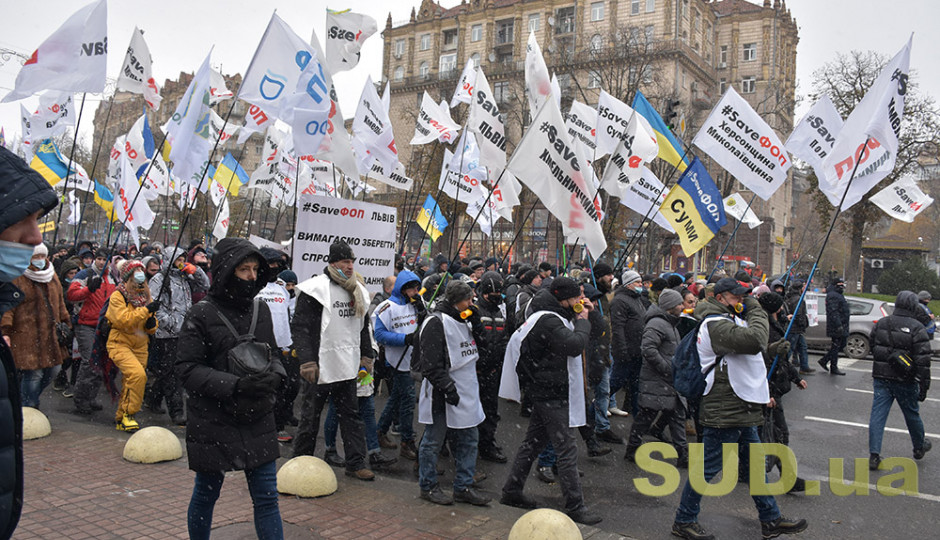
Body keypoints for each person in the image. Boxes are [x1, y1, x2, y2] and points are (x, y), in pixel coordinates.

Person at [672, 277, 806, 540]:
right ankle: (684, 520)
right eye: (736, 297)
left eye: (744, 297)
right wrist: (757, 311)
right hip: (725, 408)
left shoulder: (728, 320)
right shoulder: (714, 323)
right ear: (719, 297)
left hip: (740, 406)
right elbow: (752, 340)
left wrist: (770, 350)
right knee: (708, 469)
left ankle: (771, 519)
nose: (742, 301)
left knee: (756, 468)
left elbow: (743, 353)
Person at [176, 238, 286, 540]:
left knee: (267, 498)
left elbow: (272, 353)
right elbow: (187, 369)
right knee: (206, 494)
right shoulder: (201, 313)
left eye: (254, 269)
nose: (251, 276)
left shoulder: (260, 309)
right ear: (226, 271)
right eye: (243, 269)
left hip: (257, 415)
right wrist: (235, 384)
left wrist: (276, 375)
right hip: (214, 419)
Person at [500, 277, 602, 526]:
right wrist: (582, 321)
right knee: (566, 449)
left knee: (532, 444)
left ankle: (511, 491)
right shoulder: (548, 319)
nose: (580, 300)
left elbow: (594, 331)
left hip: (549, 390)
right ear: (563, 298)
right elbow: (575, 344)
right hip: (552, 392)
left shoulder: (555, 315)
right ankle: (575, 506)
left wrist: (587, 314)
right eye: (577, 296)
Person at [0, 145, 58, 540]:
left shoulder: (45, 278)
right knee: (32, 383)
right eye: (24, 218)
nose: (35, 236)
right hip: (24, 341)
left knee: (42, 376)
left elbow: (55, 304)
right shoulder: (16, 283)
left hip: (47, 340)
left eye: (38, 219)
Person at [292, 240, 376, 481]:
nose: (350, 266)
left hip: (348, 365)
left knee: (351, 417)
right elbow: (301, 327)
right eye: (345, 261)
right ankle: (300, 463)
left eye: (352, 261)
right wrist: (307, 360)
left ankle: (355, 463)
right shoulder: (315, 289)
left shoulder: (356, 290)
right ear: (332, 262)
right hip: (320, 366)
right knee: (310, 418)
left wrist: (366, 355)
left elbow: (361, 326)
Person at [416, 280, 491, 506]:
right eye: (468, 300)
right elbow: (429, 363)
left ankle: (463, 486)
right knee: (433, 441)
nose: (472, 303)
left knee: (469, 439)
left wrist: (477, 327)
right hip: (443, 391)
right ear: (456, 300)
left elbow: (484, 352)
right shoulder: (436, 322)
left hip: (467, 389)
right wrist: (447, 388)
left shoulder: (465, 319)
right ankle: (427, 486)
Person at [868, 291, 932, 471]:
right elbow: (923, 360)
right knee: (911, 414)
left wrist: (887, 360)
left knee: (878, 415)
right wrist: (923, 385)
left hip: (881, 377)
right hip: (906, 379)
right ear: (913, 305)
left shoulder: (882, 323)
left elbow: (873, 346)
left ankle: (874, 455)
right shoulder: (917, 327)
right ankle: (919, 446)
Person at [1, 243, 70, 409]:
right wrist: (5, 330)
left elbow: (59, 302)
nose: (39, 260)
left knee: (54, 369)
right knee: (34, 374)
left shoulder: (51, 276)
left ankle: (25, 400)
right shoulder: (18, 277)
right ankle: (29, 408)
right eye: (35, 257)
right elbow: (10, 307)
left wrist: (66, 321)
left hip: (50, 334)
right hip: (26, 334)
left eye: (42, 256)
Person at [624, 289, 688, 467]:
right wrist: (667, 368)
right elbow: (648, 349)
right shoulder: (658, 324)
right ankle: (632, 449)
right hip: (658, 379)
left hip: (668, 381)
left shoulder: (669, 323)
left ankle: (683, 455)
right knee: (647, 416)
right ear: (669, 307)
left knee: (675, 416)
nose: (682, 306)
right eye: (679, 304)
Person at [147, 247, 209, 425]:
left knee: (171, 371)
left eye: (183, 258)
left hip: (185, 331)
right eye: (177, 258)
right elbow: (154, 306)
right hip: (167, 334)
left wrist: (196, 270)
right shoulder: (160, 280)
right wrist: (172, 324)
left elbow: (205, 285)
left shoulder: (184, 278)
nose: (181, 261)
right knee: (172, 373)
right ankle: (176, 411)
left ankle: (153, 398)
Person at [757, 292, 808, 493]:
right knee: (778, 433)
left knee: (763, 434)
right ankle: (785, 476)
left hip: (773, 388)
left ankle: (751, 471)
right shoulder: (767, 329)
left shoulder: (771, 325)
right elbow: (765, 364)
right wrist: (766, 393)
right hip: (770, 391)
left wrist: (795, 378)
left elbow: (783, 360)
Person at [373, 270, 423, 461]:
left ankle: (380, 431)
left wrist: (422, 311)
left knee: (396, 398)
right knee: (408, 402)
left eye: (416, 287)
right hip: (398, 361)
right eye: (410, 288)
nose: (414, 291)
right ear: (402, 288)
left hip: (413, 359)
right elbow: (379, 335)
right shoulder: (387, 307)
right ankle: (406, 442)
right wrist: (404, 339)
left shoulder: (416, 304)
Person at [68, 251, 122, 414]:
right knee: (89, 361)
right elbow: (71, 295)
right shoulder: (84, 274)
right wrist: (88, 289)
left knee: (100, 362)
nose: (100, 262)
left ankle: (91, 396)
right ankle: (81, 398)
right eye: (98, 258)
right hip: (85, 324)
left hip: (103, 325)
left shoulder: (111, 277)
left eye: (104, 259)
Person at [107, 260, 159, 432]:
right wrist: (145, 311)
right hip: (120, 343)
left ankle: (121, 418)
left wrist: (152, 323)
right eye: (136, 271)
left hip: (140, 345)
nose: (140, 275)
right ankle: (130, 414)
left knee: (131, 382)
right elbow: (123, 320)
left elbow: (150, 326)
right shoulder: (118, 295)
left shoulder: (144, 296)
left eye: (141, 271)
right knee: (137, 376)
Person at [475, 270, 512, 463]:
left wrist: (501, 359)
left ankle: (487, 444)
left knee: (491, 411)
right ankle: (457, 444)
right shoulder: (474, 311)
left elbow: (504, 337)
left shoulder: (499, 312)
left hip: (493, 372)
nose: (498, 298)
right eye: (494, 294)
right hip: (476, 372)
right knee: (471, 411)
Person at [609, 270, 647, 417]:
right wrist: (623, 350)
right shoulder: (620, 301)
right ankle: (594, 410)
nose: (640, 285)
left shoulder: (636, 299)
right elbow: (618, 328)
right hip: (626, 352)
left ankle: (636, 415)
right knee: (615, 383)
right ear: (629, 284)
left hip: (637, 350)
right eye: (637, 282)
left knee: (635, 385)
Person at [818, 277, 849, 375]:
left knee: (839, 345)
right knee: (836, 346)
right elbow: (833, 311)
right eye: (840, 285)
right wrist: (838, 324)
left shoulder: (837, 295)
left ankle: (825, 360)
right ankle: (832, 366)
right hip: (837, 325)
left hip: (841, 324)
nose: (842, 287)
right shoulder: (833, 295)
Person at [784, 281, 814, 374]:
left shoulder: (789, 298)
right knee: (791, 348)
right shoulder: (798, 300)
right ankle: (781, 365)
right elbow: (799, 315)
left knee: (802, 347)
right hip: (795, 328)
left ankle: (804, 366)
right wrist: (802, 324)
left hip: (794, 327)